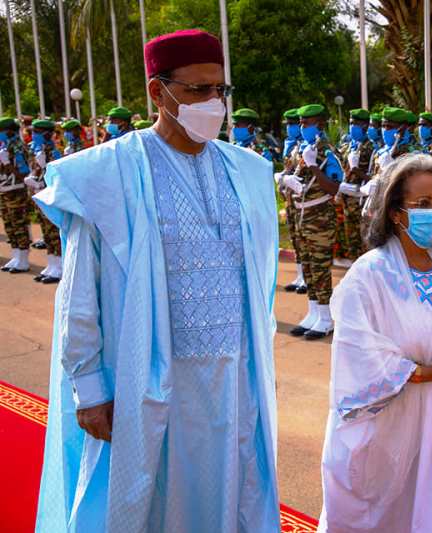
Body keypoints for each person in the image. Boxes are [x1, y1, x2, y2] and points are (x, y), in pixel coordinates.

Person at [34, 29, 281, 532]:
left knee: (231, 500)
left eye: (220, 90)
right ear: (157, 91)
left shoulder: (247, 170)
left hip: (235, 379)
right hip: (147, 381)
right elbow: (79, 292)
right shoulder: (109, 172)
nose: (213, 103)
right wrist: (89, 388)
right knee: (146, 505)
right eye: (196, 90)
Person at [318, 154, 432, 533]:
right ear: (395, 212)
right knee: (386, 512)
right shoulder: (370, 274)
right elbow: (355, 348)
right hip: (390, 420)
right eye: (423, 205)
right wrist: (422, 373)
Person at [279, 103, 345, 340]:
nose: (301, 126)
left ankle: (326, 318)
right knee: (307, 266)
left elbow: (335, 187)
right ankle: (314, 312)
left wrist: (315, 167)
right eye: (300, 123)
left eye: (306, 123)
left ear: (319, 124)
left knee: (319, 268)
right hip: (302, 215)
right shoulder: (303, 148)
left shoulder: (326, 151)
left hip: (320, 218)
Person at [25, 119, 63, 283]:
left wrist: (42, 181)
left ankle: (60, 267)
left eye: (37, 132)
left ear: (47, 134)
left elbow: (56, 174)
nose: (34, 134)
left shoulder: (53, 151)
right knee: (46, 232)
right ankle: (52, 263)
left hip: (50, 195)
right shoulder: (37, 149)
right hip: (40, 193)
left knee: (53, 231)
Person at [277, 108, 307, 293]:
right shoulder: (291, 145)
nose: (289, 128)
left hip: (301, 199)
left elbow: (302, 174)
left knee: (304, 239)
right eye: (287, 124)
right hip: (290, 199)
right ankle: (299, 274)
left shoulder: (304, 146)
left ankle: (306, 278)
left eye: (292, 124)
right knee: (295, 238)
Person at [340, 108, 374, 259]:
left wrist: (356, 170)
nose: (352, 127)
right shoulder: (349, 146)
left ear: (365, 126)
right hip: (348, 201)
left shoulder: (371, 147)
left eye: (355, 123)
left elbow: (374, 178)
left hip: (361, 201)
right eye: (350, 123)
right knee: (352, 245)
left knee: (364, 245)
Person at [0, 117, 33, 273]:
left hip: (16, 191)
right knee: (9, 224)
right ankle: (16, 256)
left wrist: (7, 164)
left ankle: (24, 259)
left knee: (19, 224)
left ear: (10, 132)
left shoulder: (18, 147)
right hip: (5, 191)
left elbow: (23, 174)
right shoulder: (4, 147)